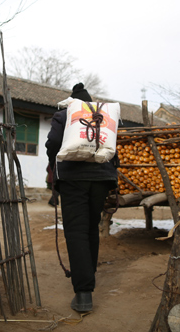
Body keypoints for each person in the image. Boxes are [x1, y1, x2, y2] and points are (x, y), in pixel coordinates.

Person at [45, 82, 118, 312]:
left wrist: (53, 161)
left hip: (74, 178)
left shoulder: (65, 114)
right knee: (89, 228)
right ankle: (88, 275)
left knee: (76, 230)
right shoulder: (102, 116)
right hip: (101, 179)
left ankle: (84, 293)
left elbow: (54, 143)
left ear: (72, 100)